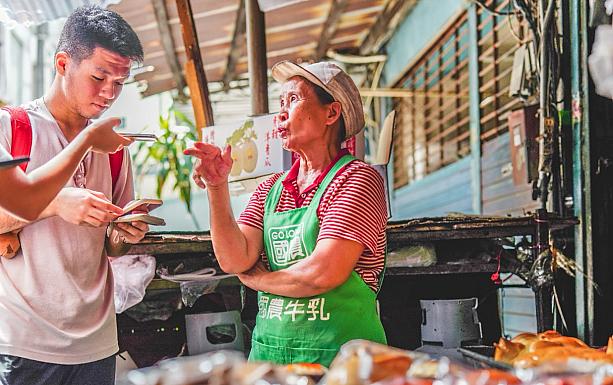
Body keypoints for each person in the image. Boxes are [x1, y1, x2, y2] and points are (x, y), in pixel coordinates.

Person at [185, 61, 388, 366]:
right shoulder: (271, 189)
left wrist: (257, 280)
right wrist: (217, 187)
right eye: (281, 103)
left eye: (293, 100)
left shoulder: (357, 179)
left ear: (331, 113)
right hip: (271, 361)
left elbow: (321, 274)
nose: (281, 113)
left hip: (341, 364)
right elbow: (234, 259)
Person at [0, 6, 148, 385]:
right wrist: (55, 205)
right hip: (23, 342)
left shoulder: (114, 147)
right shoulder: (11, 129)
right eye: (99, 77)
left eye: (119, 82)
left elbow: (110, 247)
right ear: (62, 63)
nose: (108, 93)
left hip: (97, 342)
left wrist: (122, 234)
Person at [0, 118, 131, 221]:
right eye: (98, 81)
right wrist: (88, 139)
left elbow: (24, 200)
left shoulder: (118, 154)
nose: (110, 93)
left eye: (119, 83)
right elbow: (27, 202)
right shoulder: (10, 123)